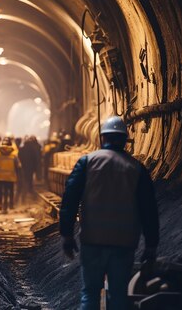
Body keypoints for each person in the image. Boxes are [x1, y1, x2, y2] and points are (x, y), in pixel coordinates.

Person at [59, 116, 159, 310]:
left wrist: (66, 235)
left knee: (90, 293)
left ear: (102, 137)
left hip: (92, 241)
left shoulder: (87, 162)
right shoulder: (136, 169)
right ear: (124, 140)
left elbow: (70, 200)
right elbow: (149, 210)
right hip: (123, 244)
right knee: (119, 295)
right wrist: (151, 245)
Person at [0, 137, 21, 213]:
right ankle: (8, 206)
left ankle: (0, 205)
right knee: (9, 192)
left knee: (0, 192)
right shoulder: (14, 155)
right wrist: (18, 175)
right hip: (11, 177)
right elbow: (18, 166)